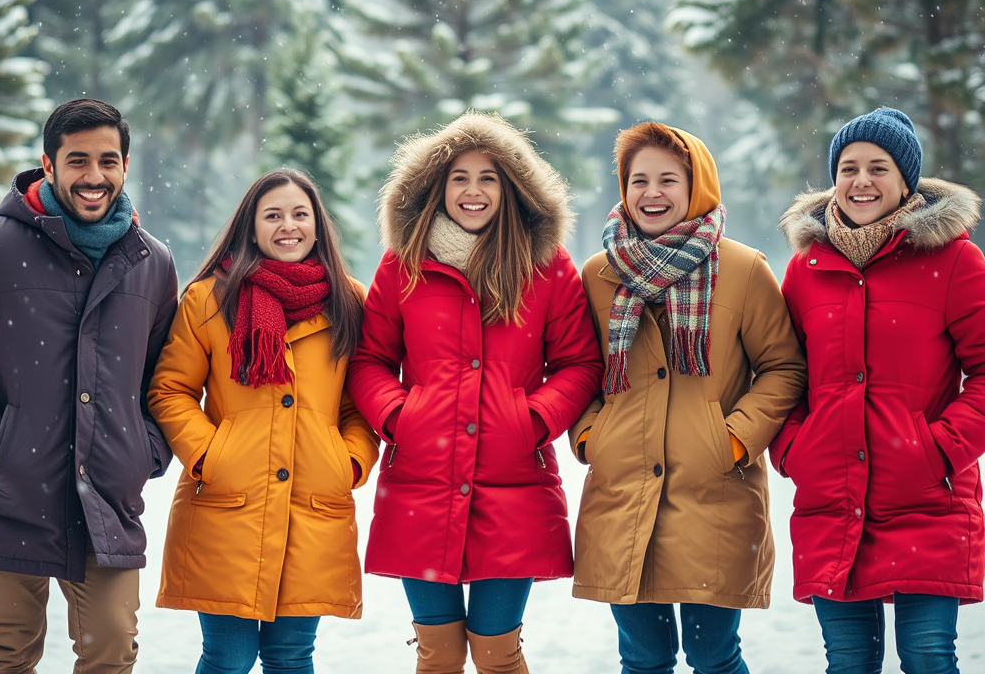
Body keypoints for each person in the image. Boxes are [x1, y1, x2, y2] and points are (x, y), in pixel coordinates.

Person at [346, 112, 602, 674]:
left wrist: (530, 421)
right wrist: (400, 417)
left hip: (513, 483)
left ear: (511, 187)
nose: (473, 191)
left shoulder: (548, 266)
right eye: (459, 177)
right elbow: (370, 361)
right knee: (437, 656)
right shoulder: (404, 264)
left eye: (488, 177)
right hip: (422, 480)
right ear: (437, 187)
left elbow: (579, 363)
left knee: (497, 653)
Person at [570, 121, 806, 674]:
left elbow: (782, 367)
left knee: (713, 657)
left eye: (668, 180)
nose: (652, 193)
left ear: (696, 185)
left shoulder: (744, 269)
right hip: (624, 495)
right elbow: (580, 367)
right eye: (638, 180)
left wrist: (732, 441)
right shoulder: (599, 274)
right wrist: (591, 437)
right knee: (643, 659)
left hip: (713, 495)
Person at [0, 98, 178, 673]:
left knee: (111, 648)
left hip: (107, 495)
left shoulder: (151, 263)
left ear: (126, 165)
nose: (94, 176)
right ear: (48, 165)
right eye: (77, 160)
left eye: (108, 160)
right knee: (9, 652)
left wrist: (144, 451)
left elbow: (165, 376)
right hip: (9, 490)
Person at [770, 107, 985, 674]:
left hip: (927, 499)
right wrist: (796, 447)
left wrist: (939, 448)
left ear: (905, 180)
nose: (861, 181)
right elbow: (784, 371)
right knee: (848, 662)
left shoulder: (955, 260)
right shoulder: (805, 268)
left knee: (928, 657)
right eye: (848, 167)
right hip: (832, 500)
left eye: (878, 167)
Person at [147, 168, 379, 674]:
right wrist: (211, 455)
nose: (288, 226)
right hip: (228, 505)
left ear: (318, 225)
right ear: (251, 227)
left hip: (312, 507)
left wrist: (350, 462)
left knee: (290, 657)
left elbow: (358, 406)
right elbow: (171, 389)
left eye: (300, 214)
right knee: (227, 658)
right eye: (272, 215)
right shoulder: (209, 298)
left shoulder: (351, 302)